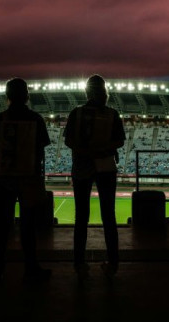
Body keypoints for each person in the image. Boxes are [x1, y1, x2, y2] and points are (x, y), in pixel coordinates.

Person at [0, 77, 52, 284]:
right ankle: (31, 268)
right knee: (28, 227)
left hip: (5, 178)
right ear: (27, 96)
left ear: (7, 96)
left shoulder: (0, 118)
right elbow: (41, 149)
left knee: (2, 227)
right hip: (28, 179)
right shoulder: (36, 119)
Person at [65, 74, 126, 280]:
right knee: (109, 216)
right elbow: (120, 141)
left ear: (87, 92)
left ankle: (79, 263)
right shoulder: (112, 113)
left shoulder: (77, 113)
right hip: (106, 166)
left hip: (82, 166)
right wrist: (102, 149)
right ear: (105, 92)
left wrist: (86, 151)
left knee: (81, 216)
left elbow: (69, 141)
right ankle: (113, 263)